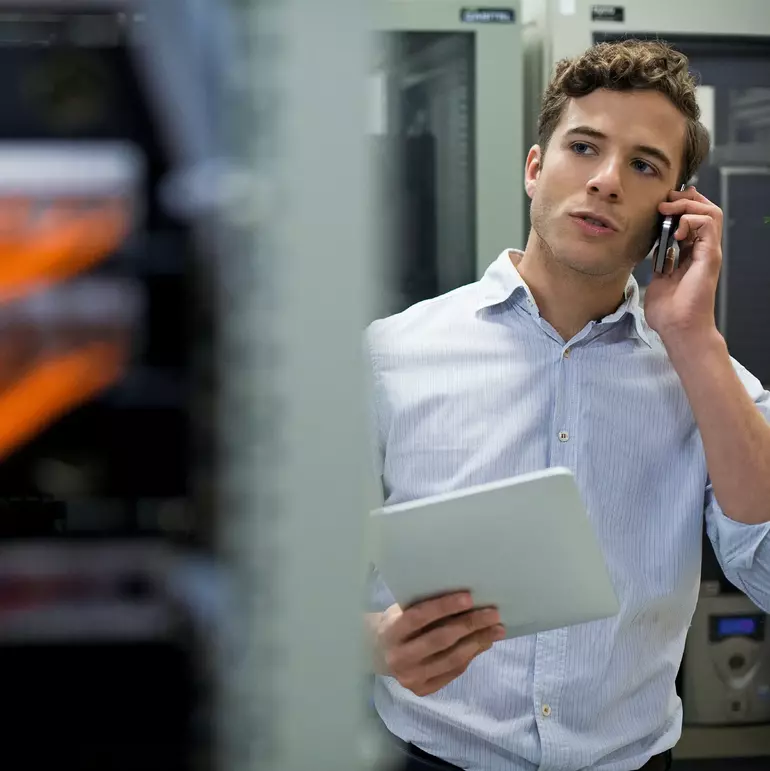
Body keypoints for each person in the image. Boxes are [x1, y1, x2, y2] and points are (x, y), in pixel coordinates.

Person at [364, 39, 770, 771]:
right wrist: (365, 642)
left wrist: (692, 337)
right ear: (534, 168)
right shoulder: (391, 355)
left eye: (645, 165)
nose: (608, 180)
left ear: (676, 212)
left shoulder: (708, 377)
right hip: (427, 755)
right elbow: (291, 579)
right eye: (584, 147)